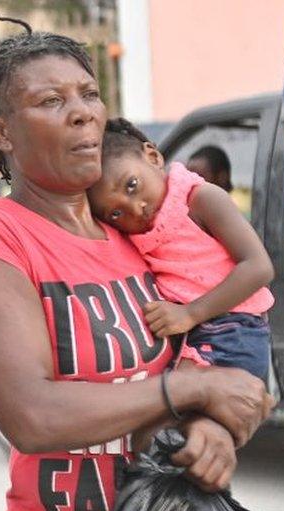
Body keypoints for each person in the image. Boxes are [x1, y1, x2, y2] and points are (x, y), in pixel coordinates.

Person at [0, 17, 272, 511]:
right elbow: (31, 415)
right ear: (2, 133)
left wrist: (211, 426)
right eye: (51, 100)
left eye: (89, 94)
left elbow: (220, 351)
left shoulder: (134, 229)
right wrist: (189, 387)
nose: (82, 112)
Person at [87, 119, 274, 382]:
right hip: (192, 335)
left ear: (152, 157)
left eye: (132, 185)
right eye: (116, 212)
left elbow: (259, 267)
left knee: (187, 403)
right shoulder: (136, 232)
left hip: (233, 328)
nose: (135, 208)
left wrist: (190, 313)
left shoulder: (200, 200)